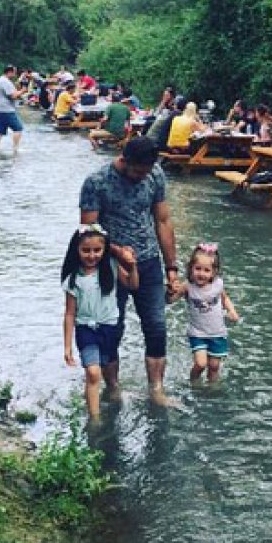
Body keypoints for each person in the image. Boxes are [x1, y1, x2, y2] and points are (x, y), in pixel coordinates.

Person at [78, 137, 183, 407]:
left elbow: (162, 220)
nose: (142, 177)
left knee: (157, 326)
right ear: (124, 161)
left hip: (149, 262)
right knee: (113, 327)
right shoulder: (97, 182)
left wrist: (172, 268)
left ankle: (156, 389)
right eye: (138, 171)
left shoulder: (155, 174)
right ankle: (113, 387)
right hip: (111, 266)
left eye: (146, 171)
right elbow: (88, 234)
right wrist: (117, 252)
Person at [62, 224, 138, 419]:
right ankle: (95, 418)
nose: (92, 255)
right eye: (86, 250)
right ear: (77, 250)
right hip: (85, 329)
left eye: (97, 250)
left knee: (104, 368)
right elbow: (70, 314)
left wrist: (132, 266)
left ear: (104, 250)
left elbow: (132, 284)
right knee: (94, 372)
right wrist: (67, 346)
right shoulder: (73, 279)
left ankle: (101, 394)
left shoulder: (111, 267)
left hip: (109, 328)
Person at [170, 243, 239, 383]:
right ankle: (193, 383)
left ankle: (211, 390)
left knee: (214, 366)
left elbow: (225, 298)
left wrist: (232, 310)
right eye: (198, 269)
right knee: (201, 364)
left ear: (214, 272)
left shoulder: (218, 285)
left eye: (206, 270)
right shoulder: (188, 287)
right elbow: (170, 300)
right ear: (191, 268)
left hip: (217, 332)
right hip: (198, 333)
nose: (201, 273)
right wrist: (170, 292)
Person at [0, 66, 26, 151]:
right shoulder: (5, 81)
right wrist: (23, 91)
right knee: (18, 128)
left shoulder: (1, 80)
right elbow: (13, 95)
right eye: (14, 72)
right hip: (6, 110)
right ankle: (15, 148)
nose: (15, 75)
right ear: (9, 72)